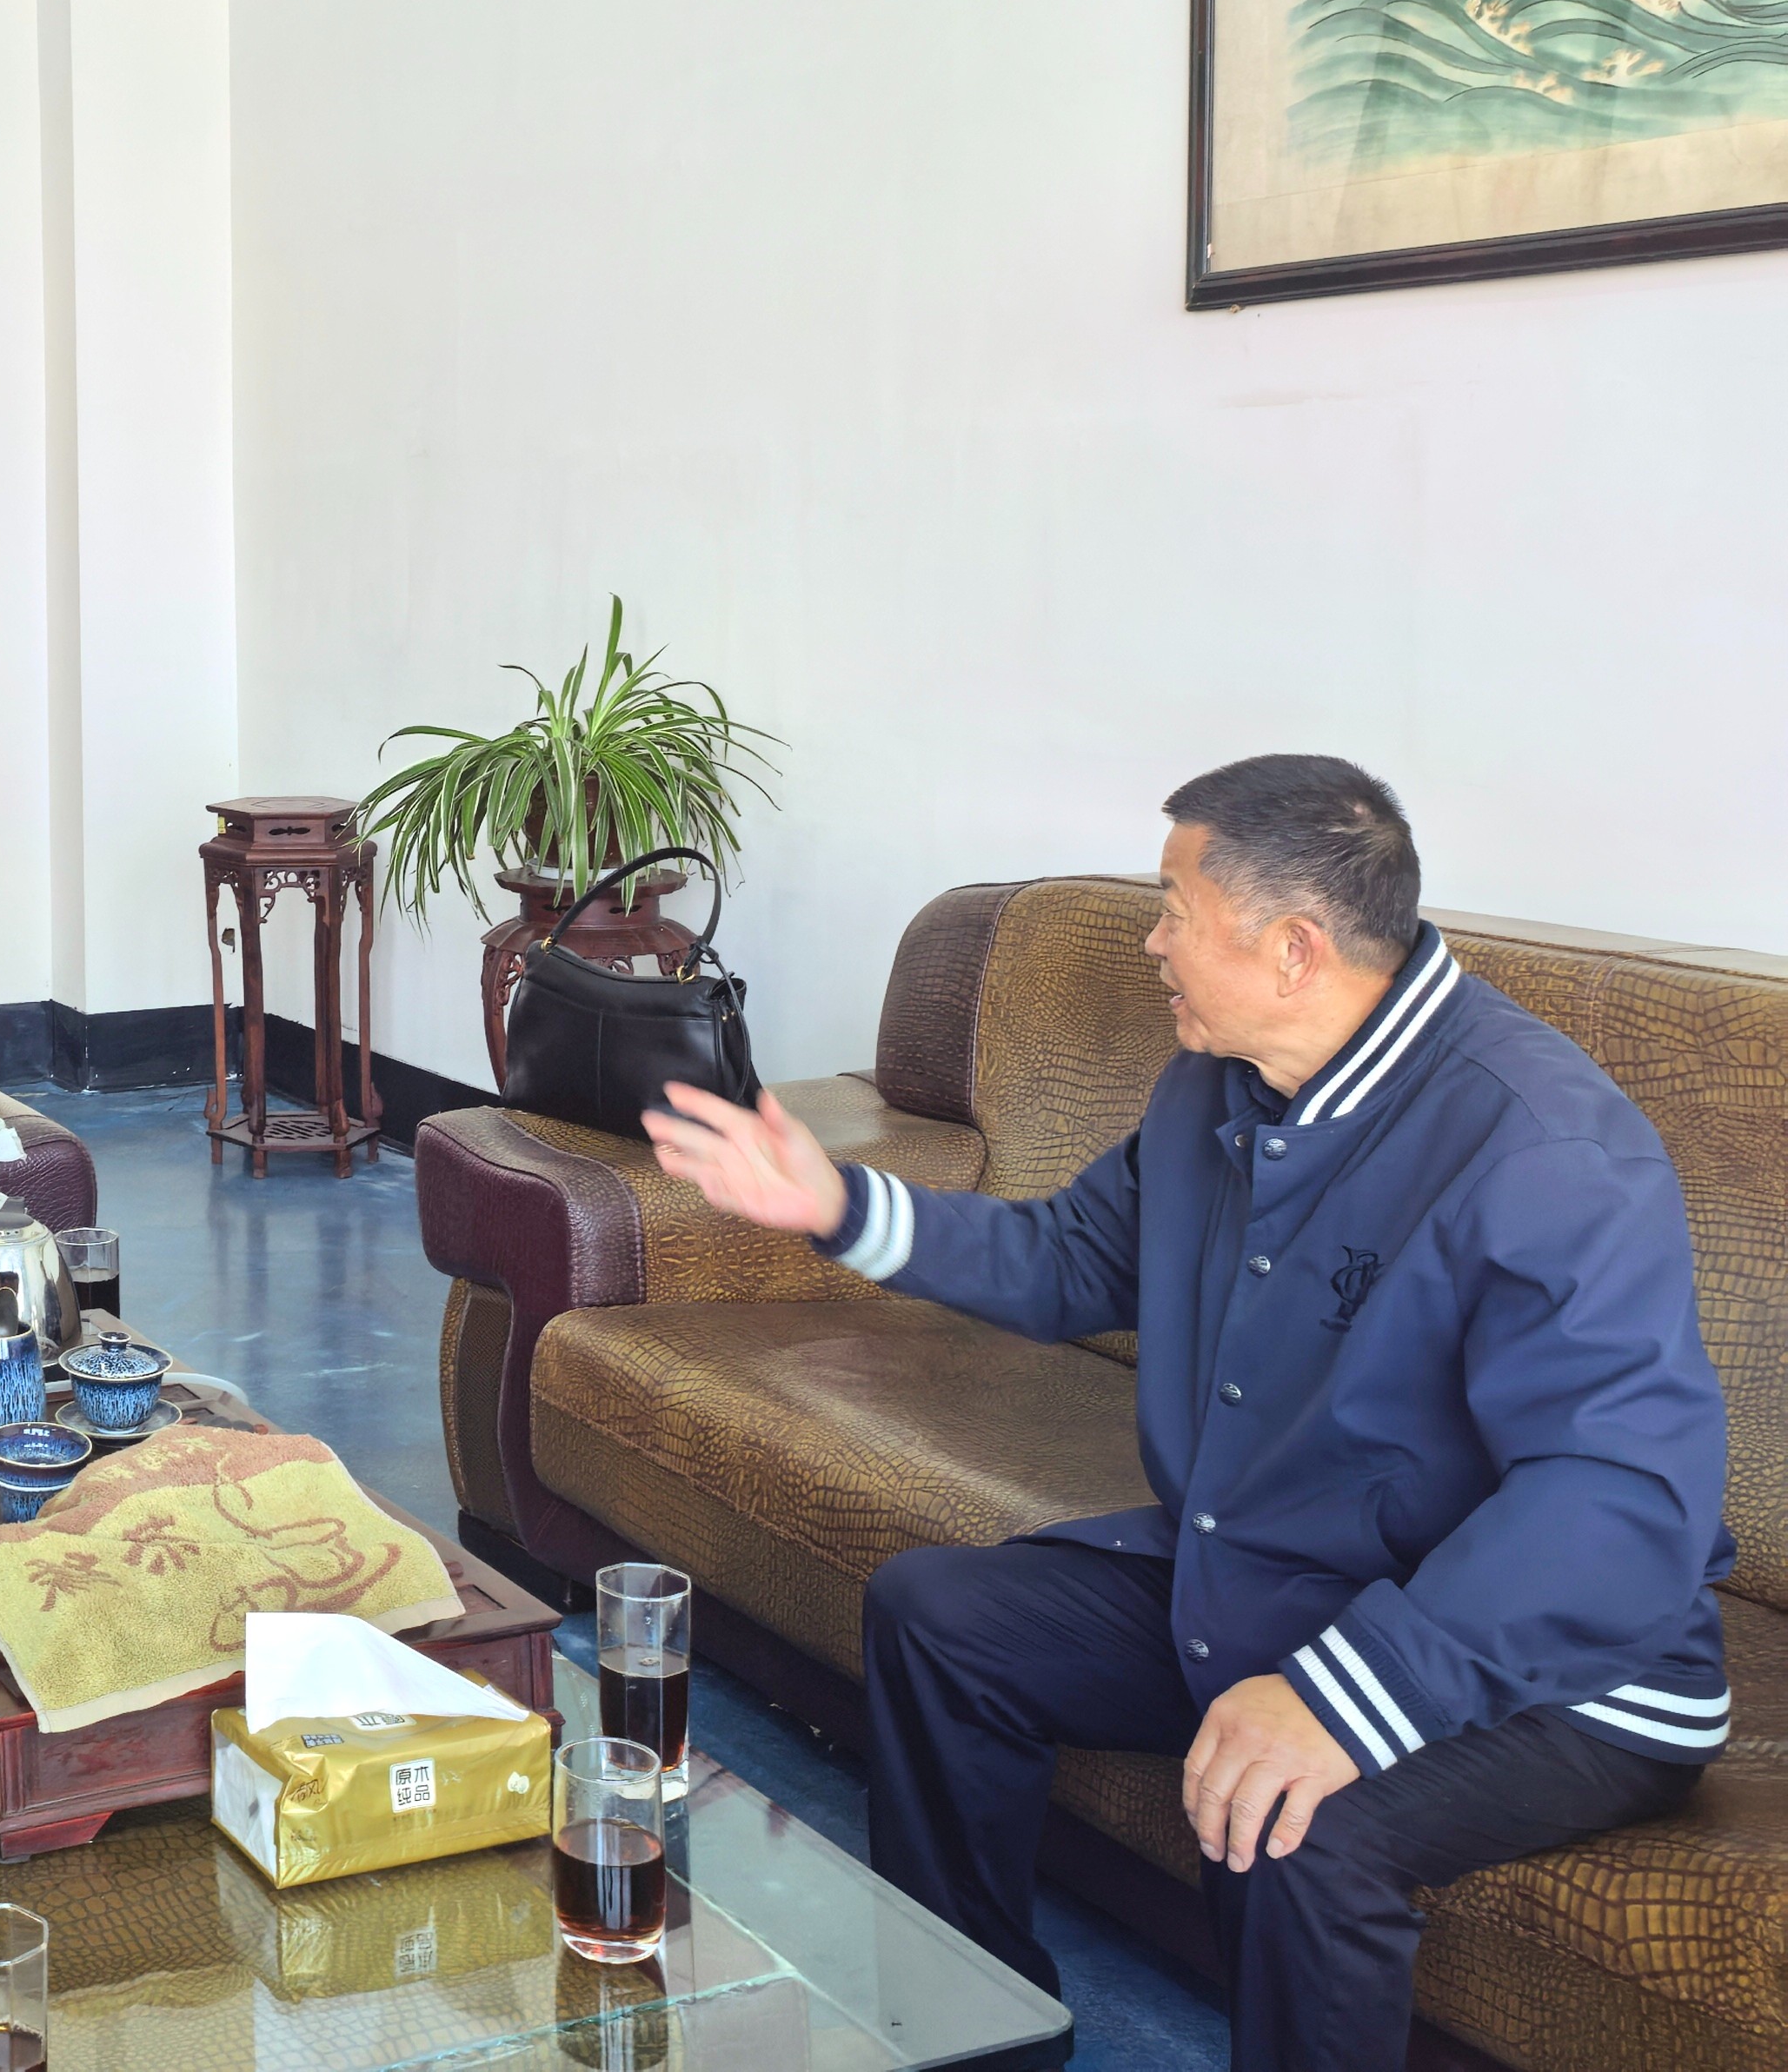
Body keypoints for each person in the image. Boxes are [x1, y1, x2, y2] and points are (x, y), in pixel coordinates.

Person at [641, 755, 1727, 2072]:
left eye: (1173, 909)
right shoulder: (1219, 1083)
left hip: (1560, 1674)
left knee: (1296, 1821)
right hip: (1289, 1577)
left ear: (1292, 948)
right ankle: (971, 2038)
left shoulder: (1542, 1145)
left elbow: (1615, 1506)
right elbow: (1069, 1259)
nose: (1151, 942)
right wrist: (839, 1205)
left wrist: (1344, 1698)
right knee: (942, 1619)